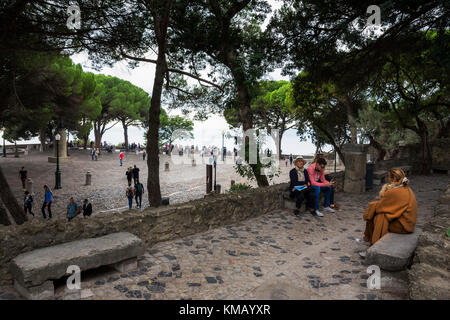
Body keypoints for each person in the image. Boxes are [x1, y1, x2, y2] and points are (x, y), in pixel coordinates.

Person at [361, 168, 417, 250]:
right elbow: (390, 206)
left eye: (388, 176)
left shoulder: (394, 191)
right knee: (377, 212)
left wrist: (371, 206)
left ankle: (375, 245)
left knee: (379, 216)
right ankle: (371, 240)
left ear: (394, 179)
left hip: (403, 227)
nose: (387, 179)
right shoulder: (406, 188)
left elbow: (380, 207)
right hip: (408, 224)